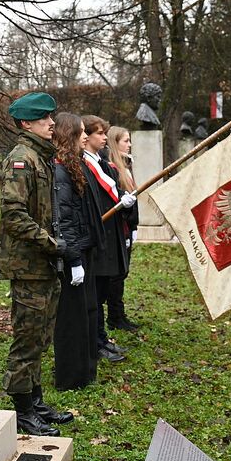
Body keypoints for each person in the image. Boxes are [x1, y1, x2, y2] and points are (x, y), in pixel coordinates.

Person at [0, 92, 74, 435]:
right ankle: (24, 412)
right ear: (26, 123)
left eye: (50, 118)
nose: (51, 123)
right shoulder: (22, 159)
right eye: (44, 119)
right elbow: (13, 215)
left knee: (40, 336)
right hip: (28, 265)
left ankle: (36, 402)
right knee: (27, 339)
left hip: (41, 264)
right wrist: (53, 245)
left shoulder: (40, 157)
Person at [52, 113, 105, 391]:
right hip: (74, 252)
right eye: (81, 132)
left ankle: (85, 371)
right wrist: (73, 259)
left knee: (87, 311)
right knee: (72, 318)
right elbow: (65, 219)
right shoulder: (61, 169)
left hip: (84, 248)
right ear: (68, 135)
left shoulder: (76, 164)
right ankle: (71, 376)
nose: (85, 136)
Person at [82, 115, 136, 361]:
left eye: (105, 133)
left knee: (102, 291)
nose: (105, 137)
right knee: (95, 294)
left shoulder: (102, 163)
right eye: (100, 133)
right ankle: (94, 341)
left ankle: (101, 338)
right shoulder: (85, 164)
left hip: (110, 234)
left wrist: (124, 201)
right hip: (98, 237)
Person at [106, 126, 140, 331]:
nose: (129, 144)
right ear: (114, 142)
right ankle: (115, 316)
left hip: (128, 227)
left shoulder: (125, 166)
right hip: (119, 229)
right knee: (117, 274)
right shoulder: (111, 168)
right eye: (125, 141)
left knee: (123, 272)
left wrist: (134, 224)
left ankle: (119, 314)